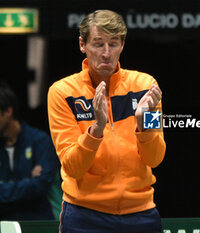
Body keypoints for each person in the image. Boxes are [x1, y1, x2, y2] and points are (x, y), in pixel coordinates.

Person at [47, 9, 166, 233]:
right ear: (82, 44)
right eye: (98, 43)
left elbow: (155, 158)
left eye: (113, 44)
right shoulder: (62, 92)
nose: (106, 53)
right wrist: (96, 129)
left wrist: (142, 125)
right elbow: (73, 167)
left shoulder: (145, 87)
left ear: (122, 45)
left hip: (140, 214)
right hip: (84, 216)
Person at [0, 81, 59, 220]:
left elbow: (41, 185)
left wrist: (5, 188)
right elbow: (32, 186)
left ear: (8, 112)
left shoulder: (40, 141)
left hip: (39, 221)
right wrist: (27, 182)